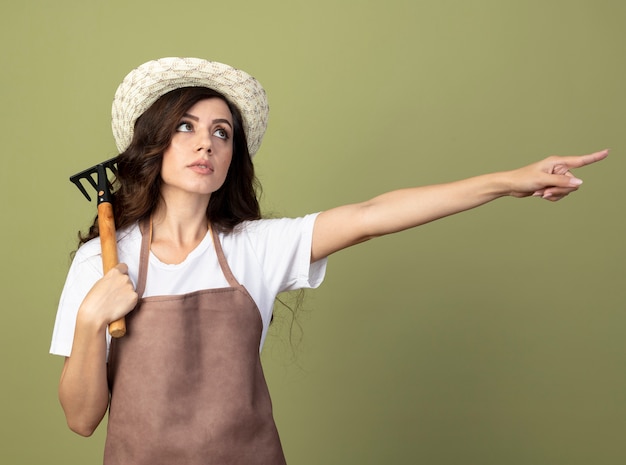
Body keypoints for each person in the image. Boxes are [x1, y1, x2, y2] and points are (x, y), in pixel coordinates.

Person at [49, 57, 607, 464]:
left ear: (231, 159)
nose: (207, 144)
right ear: (154, 143)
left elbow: (371, 214)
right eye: (186, 127)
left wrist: (510, 181)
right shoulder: (102, 262)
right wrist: (89, 319)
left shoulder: (255, 248)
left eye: (222, 133)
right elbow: (81, 420)